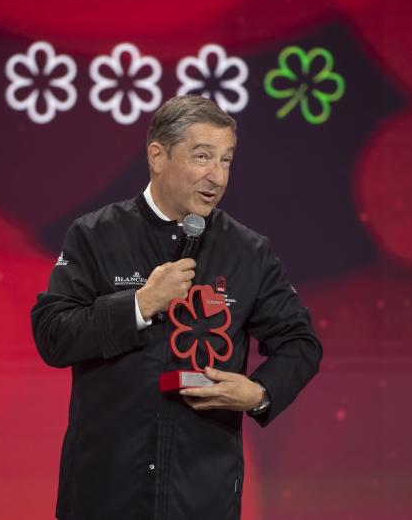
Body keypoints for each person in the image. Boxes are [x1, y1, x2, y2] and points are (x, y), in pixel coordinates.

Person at [31, 95, 322, 520]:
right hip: (105, 493)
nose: (216, 176)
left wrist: (260, 394)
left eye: (226, 160)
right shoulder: (95, 236)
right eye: (202, 157)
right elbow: (53, 335)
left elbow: (300, 343)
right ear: (158, 156)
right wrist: (140, 304)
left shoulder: (247, 251)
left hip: (202, 496)